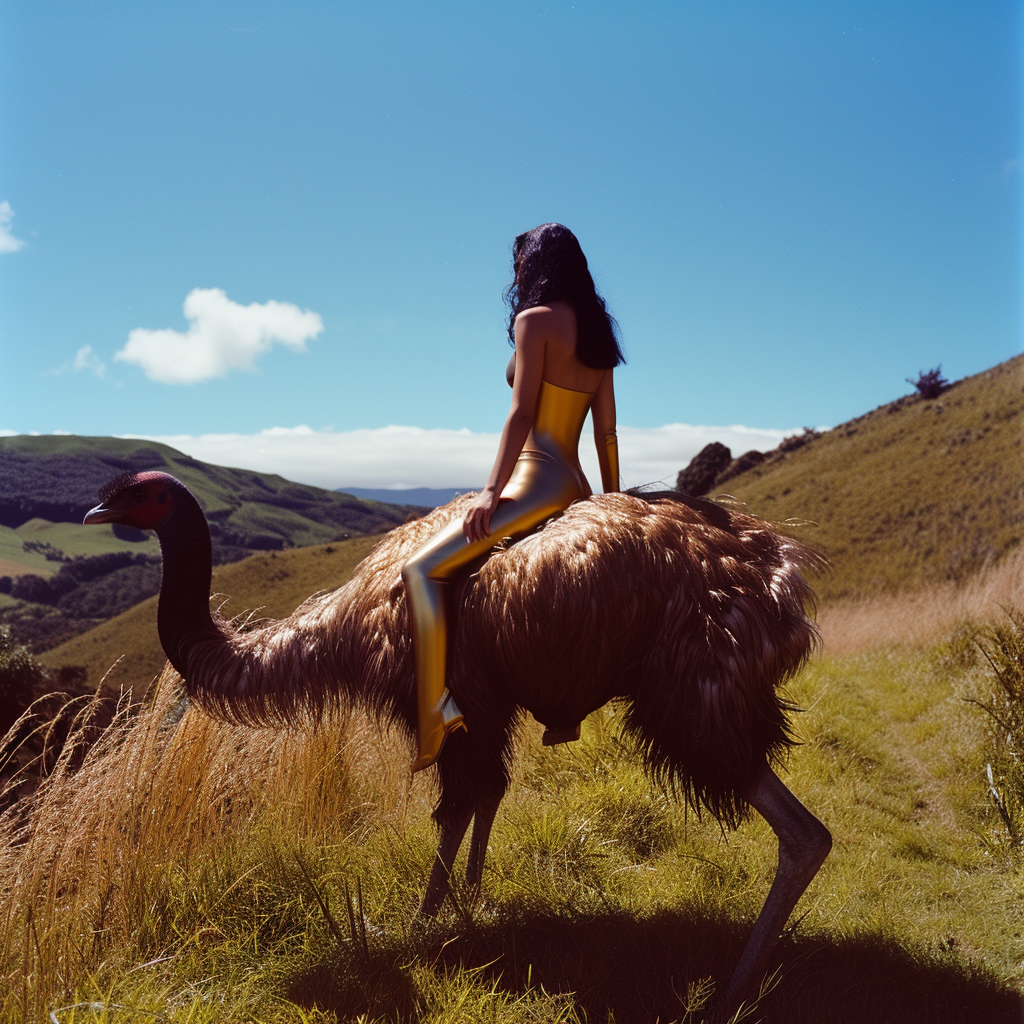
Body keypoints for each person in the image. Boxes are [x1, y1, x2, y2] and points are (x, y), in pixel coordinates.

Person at [401, 223, 625, 772]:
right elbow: (606, 433)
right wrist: (616, 502)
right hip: (576, 484)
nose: (515, 269)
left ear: (534, 264)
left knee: (420, 571)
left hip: (535, 481)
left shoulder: (533, 322)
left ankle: (435, 713)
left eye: (519, 259)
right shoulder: (596, 330)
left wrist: (490, 491)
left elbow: (522, 413)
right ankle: (564, 709)